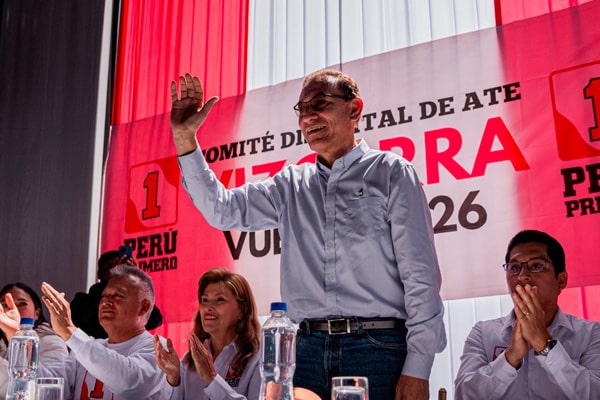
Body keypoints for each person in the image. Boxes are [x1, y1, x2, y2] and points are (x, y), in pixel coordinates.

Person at [169, 70, 446, 399]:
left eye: (320, 103)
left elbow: (420, 276)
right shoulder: (290, 185)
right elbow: (222, 209)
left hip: (378, 349)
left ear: (354, 109)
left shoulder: (390, 172)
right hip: (304, 352)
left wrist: (418, 367)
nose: (308, 116)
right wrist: (185, 138)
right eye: (302, 109)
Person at [454, 229, 600, 399]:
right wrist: (510, 357)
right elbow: (463, 395)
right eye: (515, 267)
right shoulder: (483, 333)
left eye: (536, 266)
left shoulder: (590, 334)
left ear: (561, 280)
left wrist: (544, 343)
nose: (522, 276)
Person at [0, 265, 172, 399]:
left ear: (144, 307)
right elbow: (42, 388)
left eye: (118, 296)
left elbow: (131, 384)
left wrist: (70, 332)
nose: (106, 302)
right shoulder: (86, 349)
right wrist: (18, 336)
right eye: (104, 296)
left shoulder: (158, 348)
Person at [153, 268, 261, 399]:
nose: (208, 307)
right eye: (205, 300)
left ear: (242, 310)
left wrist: (212, 378)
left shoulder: (258, 358)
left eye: (219, 299)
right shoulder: (190, 359)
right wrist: (173, 378)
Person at [70, 249, 163, 338]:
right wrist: (113, 282)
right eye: (111, 266)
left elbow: (154, 320)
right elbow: (91, 325)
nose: (117, 271)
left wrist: (136, 279)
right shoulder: (81, 301)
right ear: (99, 273)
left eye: (121, 268)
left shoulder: (130, 301)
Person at [0, 282, 69, 397]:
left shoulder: (52, 342)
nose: (13, 309)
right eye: (4, 304)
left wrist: (17, 337)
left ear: (36, 314)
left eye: (22, 304)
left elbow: (50, 392)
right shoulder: (1, 343)